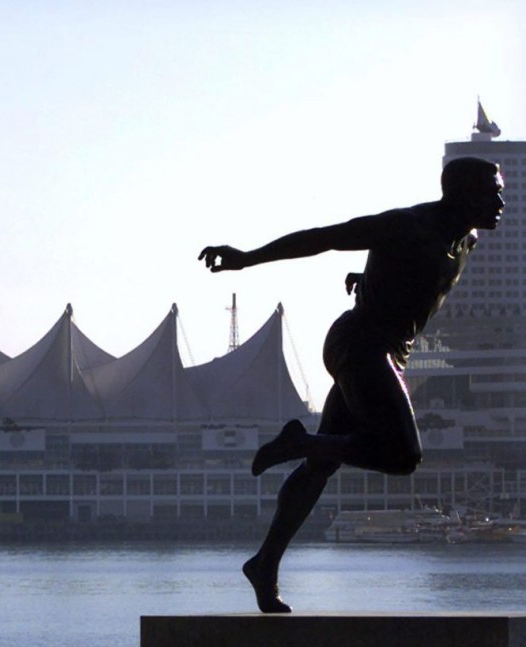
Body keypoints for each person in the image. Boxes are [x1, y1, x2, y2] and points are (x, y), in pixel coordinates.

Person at [199, 157, 505, 613]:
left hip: (387, 353)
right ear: (461, 195)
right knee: (403, 456)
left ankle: (264, 564)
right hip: (359, 346)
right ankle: (301, 442)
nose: (502, 201)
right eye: (491, 192)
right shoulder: (407, 227)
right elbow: (323, 239)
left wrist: (371, 279)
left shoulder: (469, 240)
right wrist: (247, 259)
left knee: (322, 467)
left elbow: (415, 283)